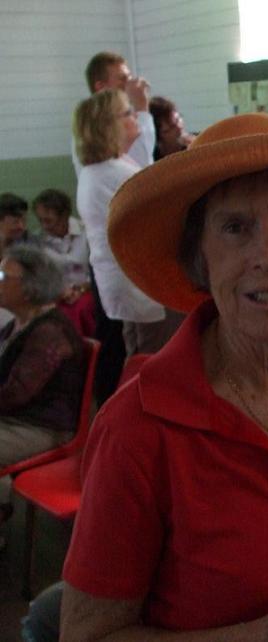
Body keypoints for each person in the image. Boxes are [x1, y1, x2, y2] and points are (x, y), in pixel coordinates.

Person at [59, 112, 268, 640]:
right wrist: (253, 637)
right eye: (236, 228)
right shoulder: (137, 427)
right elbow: (86, 635)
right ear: (200, 255)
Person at [74, 89, 182, 402]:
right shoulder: (111, 172)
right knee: (152, 361)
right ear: (107, 125)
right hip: (139, 284)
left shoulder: (108, 168)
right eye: (128, 113)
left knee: (138, 356)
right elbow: (163, 214)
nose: (135, 118)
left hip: (130, 283)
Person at [0, 245, 86, 530]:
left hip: (43, 425)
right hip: (18, 416)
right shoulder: (19, 322)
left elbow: (16, 394)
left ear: (29, 287)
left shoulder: (50, 332)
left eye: (3, 276)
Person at [71, 52, 154, 175]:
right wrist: (141, 107)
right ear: (101, 87)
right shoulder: (98, 125)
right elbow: (142, 167)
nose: (130, 84)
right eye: (122, 79)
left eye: (130, 77)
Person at [32, 189, 95, 337]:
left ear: (65, 215)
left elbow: (98, 270)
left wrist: (83, 288)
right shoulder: (38, 241)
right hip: (57, 294)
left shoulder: (87, 232)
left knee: (82, 309)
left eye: (48, 221)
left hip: (88, 289)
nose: (44, 226)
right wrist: (59, 291)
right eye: (40, 220)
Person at [148, 95, 196, 160]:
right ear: (158, 136)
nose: (179, 127)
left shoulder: (196, 145)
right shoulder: (150, 157)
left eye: (178, 119)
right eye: (171, 127)